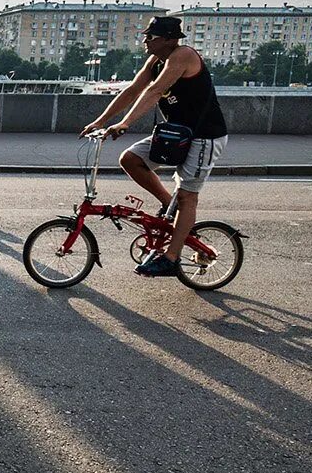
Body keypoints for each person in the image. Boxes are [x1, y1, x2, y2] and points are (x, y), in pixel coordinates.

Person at [81, 15, 229, 278]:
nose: (145, 40)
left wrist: (125, 124)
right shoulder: (156, 60)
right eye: (146, 35)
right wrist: (100, 121)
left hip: (204, 136)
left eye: (152, 36)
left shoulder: (182, 56)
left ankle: (171, 259)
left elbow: (155, 91)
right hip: (175, 134)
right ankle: (169, 205)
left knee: (187, 196)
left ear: (170, 39)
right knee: (130, 159)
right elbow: (132, 91)